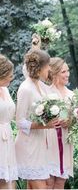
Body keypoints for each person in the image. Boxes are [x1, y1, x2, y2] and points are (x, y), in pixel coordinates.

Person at [15, 49, 59, 189]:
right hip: (28, 146)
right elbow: (20, 122)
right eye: (47, 66)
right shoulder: (25, 89)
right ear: (40, 68)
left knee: (34, 186)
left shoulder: (40, 85)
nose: (49, 69)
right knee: (41, 186)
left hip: (40, 145)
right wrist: (45, 125)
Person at [46, 57, 74, 189]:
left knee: (60, 182)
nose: (67, 74)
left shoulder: (71, 95)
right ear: (55, 73)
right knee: (49, 181)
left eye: (68, 71)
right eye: (63, 72)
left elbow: (75, 120)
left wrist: (69, 121)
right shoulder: (46, 92)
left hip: (65, 139)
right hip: (49, 139)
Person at [0, 55, 18, 189]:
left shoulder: (5, 90)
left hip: (7, 137)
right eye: (10, 75)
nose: (12, 78)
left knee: (9, 180)